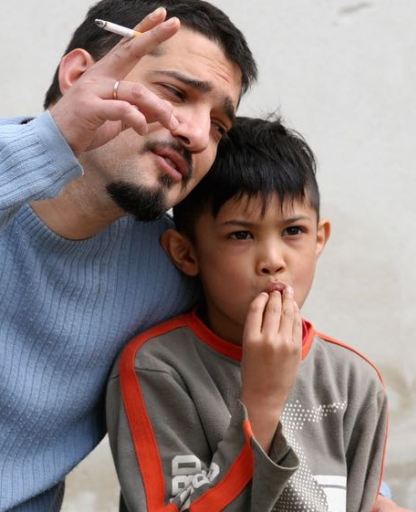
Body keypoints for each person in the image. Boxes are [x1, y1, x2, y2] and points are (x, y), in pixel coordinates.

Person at [0, 1, 257, 510]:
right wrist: (53, 138)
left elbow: (281, 362)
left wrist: (368, 496)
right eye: (175, 93)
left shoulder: (171, 272)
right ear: (79, 76)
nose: (196, 134)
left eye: (218, 126)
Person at [106, 116, 388, 511]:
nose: (273, 260)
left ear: (319, 239)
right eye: (241, 235)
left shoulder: (354, 381)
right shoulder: (158, 368)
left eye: (293, 231)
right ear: (186, 253)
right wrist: (261, 404)